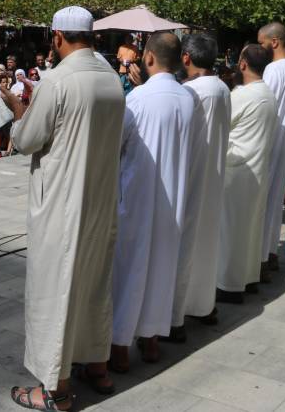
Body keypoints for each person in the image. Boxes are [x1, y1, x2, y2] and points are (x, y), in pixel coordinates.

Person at [4, 6, 125, 411]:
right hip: (101, 199)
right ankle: (98, 366)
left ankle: (54, 390)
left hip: (61, 203)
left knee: (54, 291)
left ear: (57, 37)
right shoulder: (111, 78)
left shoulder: (57, 80)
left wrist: (17, 110)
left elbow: (27, 141)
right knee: (93, 285)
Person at [110, 32, 198, 369]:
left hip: (137, 196)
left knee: (128, 270)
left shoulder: (138, 99)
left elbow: (116, 144)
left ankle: (119, 346)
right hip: (172, 197)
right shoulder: (188, 98)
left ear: (148, 58)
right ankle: (150, 341)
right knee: (161, 269)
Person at [169, 34, 231, 341]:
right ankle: (204, 305)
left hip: (192, 175)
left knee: (185, 247)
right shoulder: (222, 87)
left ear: (186, 58)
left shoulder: (190, 91)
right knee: (207, 243)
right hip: (214, 174)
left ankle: (175, 318)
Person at [217, 44, 278, 304]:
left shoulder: (243, 95)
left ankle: (229, 285)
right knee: (250, 228)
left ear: (242, 64)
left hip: (238, 169)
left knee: (231, 230)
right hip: (257, 168)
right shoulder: (268, 93)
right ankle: (248, 277)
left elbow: (222, 122)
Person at [258, 22, 285, 278]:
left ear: (274, 42)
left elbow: (263, 104)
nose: (259, 48)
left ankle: (259, 257)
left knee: (263, 201)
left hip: (269, 140)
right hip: (283, 141)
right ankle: (270, 251)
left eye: (261, 43)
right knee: (273, 201)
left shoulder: (273, 70)